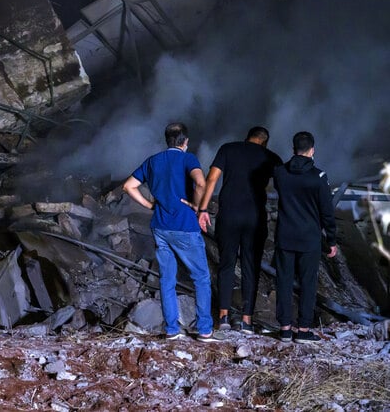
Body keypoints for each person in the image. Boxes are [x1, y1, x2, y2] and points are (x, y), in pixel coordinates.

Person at [123, 122, 221, 341]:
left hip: (160, 226)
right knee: (201, 278)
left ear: (167, 140)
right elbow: (200, 183)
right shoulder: (189, 159)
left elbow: (128, 186)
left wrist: (149, 206)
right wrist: (198, 207)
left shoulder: (153, 161)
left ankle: (171, 330)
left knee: (167, 279)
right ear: (185, 142)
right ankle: (205, 329)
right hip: (185, 226)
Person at [199, 126, 282, 333]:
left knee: (226, 264)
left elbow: (212, 178)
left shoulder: (228, 149)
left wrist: (203, 208)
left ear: (247, 138)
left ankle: (224, 316)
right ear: (265, 142)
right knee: (250, 267)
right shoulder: (271, 157)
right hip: (255, 218)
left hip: (229, 215)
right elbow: (284, 185)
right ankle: (247, 320)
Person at [272, 131, 338, 343]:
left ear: (293, 149)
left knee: (283, 281)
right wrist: (332, 240)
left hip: (285, 236)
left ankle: (284, 329)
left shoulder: (280, 173)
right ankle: (303, 330)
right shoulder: (319, 177)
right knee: (308, 283)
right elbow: (327, 212)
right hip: (309, 239)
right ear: (312, 150)